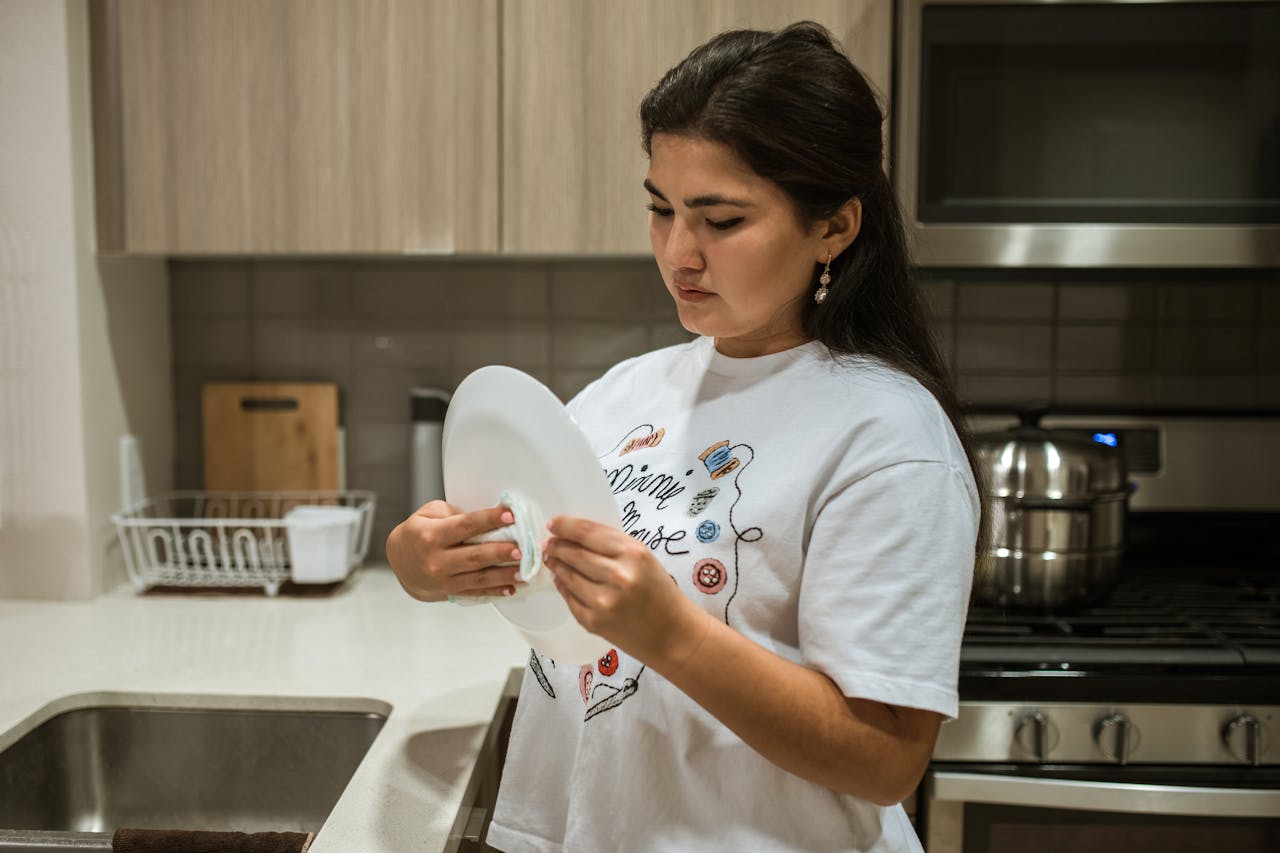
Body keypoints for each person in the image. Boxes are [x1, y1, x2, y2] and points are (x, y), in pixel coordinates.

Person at [387, 21, 985, 853]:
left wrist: (669, 633)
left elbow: (886, 759)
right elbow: (540, 584)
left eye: (722, 220)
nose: (678, 253)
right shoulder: (623, 394)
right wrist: (432, 563)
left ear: (835, 228)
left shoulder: (886, 435)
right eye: (661, 210)